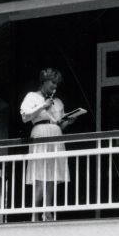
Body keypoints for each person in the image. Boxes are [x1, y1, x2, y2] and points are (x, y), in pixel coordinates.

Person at [21, 68, 79, 220]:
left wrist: (68, 122)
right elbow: (25, 117)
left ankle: (47, 211)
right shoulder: (32, 96)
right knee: (40, 176)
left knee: (52, 176)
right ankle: (34, 214)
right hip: (40, 132)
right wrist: (42, 106)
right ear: (44, 81)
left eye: (57, 83)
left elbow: (59, 124)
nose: (55, 86)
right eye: (52, 82)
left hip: (55, 134)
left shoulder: (58, 102)